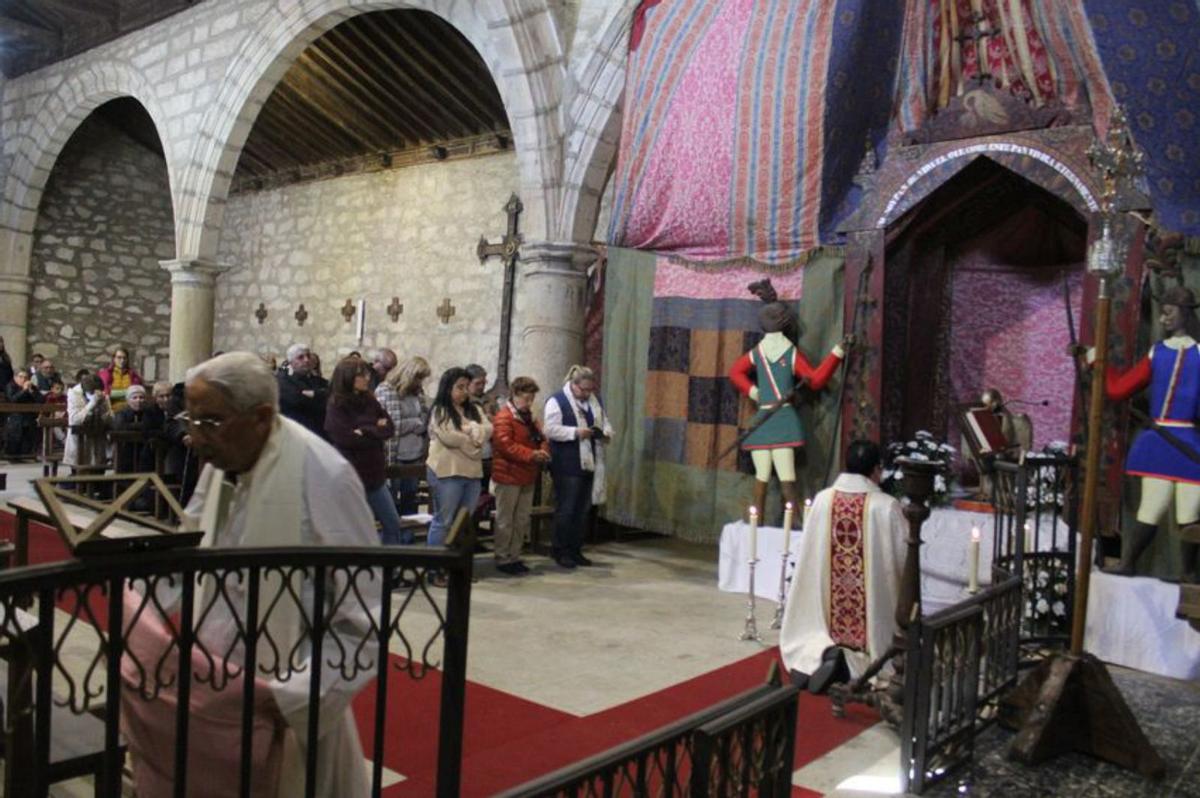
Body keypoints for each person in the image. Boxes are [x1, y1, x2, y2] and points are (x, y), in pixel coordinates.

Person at [176, 351, 379, 796]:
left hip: (287, 706)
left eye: (209, 421)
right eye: (189, 420)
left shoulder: (324, 476)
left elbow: (363, 621)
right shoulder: (222, 467)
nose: (194, 436)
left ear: (261, 416)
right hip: (214, 692)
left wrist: (289, 700)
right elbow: (186, 547)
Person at [779, 439, 905, 694]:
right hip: (870, 623)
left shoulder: (823, 500)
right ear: (876, 470)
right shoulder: (886, 506)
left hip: (827, 613)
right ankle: (850, 663)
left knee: (815, 631)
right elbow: (902, 560)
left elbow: (810, 553)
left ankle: (822, 655)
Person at [1096, 285, 1200, 582]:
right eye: (1163, 312)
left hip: (1184, 443)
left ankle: (1188, 574)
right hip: (1162, 444)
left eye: (1169, 313)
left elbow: (1117, 390)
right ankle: (1129, 563)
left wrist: (1098, 363)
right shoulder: (1158, 352)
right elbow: (1118, 390)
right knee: (1151, 508)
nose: (1164, 319)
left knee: (1188, 513)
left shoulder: (1191, 354)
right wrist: (1097, 361)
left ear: (1184, 314)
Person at [729, 279, 848, 519]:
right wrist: (837, 353)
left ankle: (759, 528)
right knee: (786, 480)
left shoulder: (757, 353)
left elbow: (735, 372)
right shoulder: (789, 353)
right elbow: (816, 381)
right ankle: (794, 529)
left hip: (765, 418)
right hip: (781, 418)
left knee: (763, 480)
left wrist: (756, 393)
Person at [324, 357, 407, 546]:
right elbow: (346, 438)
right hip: (352, 476)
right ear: (348, 378)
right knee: (356, 528)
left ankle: (388, 569)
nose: (367, 379)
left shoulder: (370, 399)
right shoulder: (336, 405)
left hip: (375, 475)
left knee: (392, 523)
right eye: (362, 375)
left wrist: (365, 430)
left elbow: (389, 428)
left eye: (367, 374)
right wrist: (374, 428)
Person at [544, 365, 613, 569]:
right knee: (567, 508)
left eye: (590, 389)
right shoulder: (557, 400)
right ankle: (560, 550)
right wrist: (575, 432)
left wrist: (605, 432)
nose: (587, 393)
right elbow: (550, 429)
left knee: (582, 510)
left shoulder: (594, 401)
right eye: (583, 389)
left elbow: (606, 423)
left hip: (589, 462)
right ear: (573, 385)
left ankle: (575, 549)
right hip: (567, 463)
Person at [426, 367, 492, 555]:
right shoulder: (440, 410)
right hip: (447, 472)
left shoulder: (475, 409)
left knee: (463, 521)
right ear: (448, 388)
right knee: (444, 521)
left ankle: (457, 568)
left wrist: (470, 428)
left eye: (466, 387)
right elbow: (449, 438)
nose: (464, 391)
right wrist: (472, 436)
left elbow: (488, 429)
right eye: (459, 387)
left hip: (471, 472)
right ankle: (435, 568)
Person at [491, 376, 550, 574]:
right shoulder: (504, 417)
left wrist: (543, 449)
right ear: (515, 395)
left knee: (522, 519)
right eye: (526, 398)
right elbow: (505, 446)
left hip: (527, 473)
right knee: (506, 519)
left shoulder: (529, 418)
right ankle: (502, 557)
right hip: (508, 475)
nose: (529, 403)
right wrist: (532, 454)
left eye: (532, 398)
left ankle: (515, 555)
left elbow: (542, 437)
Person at [376, 356, 431, 516]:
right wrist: (414, 423)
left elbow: (425, 419)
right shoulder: (385, 390)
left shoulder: (418, 394)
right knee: (390, 500)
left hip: (414, 454)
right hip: (393, 453)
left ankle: (407, 538)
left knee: (410, 499)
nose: (420, 382)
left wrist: (415, 423)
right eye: (418, 377)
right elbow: (391, 424)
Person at [277, 343, 329, 437]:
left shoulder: (316, 380)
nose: (307, 360)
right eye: (301, 357)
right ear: (291, 362)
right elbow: (296, 400)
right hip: (296, 433)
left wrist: (315, 394)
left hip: (318, 432)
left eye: (308, 356)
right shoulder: (283, 379)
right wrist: (320, 397)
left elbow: (332, 393)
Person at [64, 373, 112, 469]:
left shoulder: (102, 395)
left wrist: (103, 405)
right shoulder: (74, 394)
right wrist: (92, 403)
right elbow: (74, 420)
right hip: (79, 438)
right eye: (92, 392)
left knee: (99, 469)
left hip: (98, 434)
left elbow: (109, 418)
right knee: (80, 469)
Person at [112, 384, 164, 473]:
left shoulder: (151, 412)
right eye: (134, 398)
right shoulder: (121, 413)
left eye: (141, 397)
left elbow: (154, 425)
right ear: (128, 400)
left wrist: (135, 426)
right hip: (126, 451)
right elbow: (119, 426)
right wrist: (140, 426)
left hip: (146, 451)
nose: (138, 400)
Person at [4, 370, 40, 456]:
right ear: (15, 377)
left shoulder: (30, 386)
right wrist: (24, 390)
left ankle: (27, 453)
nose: (23, 379)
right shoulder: (10, 386)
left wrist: (32, 392)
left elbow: (40, 400)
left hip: (28, 416)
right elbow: (12, 400)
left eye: (26, 377)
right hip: (14, 416)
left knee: (30, 426)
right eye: (21, 377)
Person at [98, 346, 144, 412]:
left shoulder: (134, 376)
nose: (122, 361)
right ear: (114, 358)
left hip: (129, 412)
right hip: (111, 412)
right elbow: (102, 394)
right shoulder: (105, 375)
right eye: (119, 357)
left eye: (124, 358)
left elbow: (138, 394)